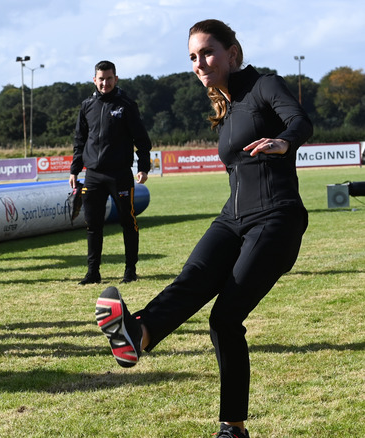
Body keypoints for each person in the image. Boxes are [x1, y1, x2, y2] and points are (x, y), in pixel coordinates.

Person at [95, 19, 312, 438]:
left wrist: (285, 141)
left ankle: (233, 427)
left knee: (224, 318)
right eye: (193, 57)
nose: (200, 62)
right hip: (233, 217)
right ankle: (137, 335)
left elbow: (299, 120)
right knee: (191, 278)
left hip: (277, 218)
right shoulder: (226, 108)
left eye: (207, 52)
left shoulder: (265, 85)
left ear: (232, 53)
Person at [70, 60, 152, 285]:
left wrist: (143, 167)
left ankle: (130, 270)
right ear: (94, 80)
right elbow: (79, 140)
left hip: (120, 174)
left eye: (109, 78)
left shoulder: (126, 105)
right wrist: (75, 170)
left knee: (128, 221)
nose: (104, 83)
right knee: (92, 225)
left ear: (116, 79)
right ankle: (92, 273)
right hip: (93, 175)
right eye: (101, 79)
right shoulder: (86, 106)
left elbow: (141, 139)